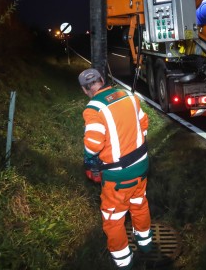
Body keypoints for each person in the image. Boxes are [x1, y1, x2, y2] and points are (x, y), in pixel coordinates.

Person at [78, 68, 153, 269]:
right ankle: (146, 243)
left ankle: (123, 261)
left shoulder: (93, 109)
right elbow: (144, 123)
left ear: (85, 90)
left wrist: (89, 160)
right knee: (139, 202)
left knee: (113, 217)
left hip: (118, 176)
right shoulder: (128, 95)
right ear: (103, 80)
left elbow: (93, 145)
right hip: (142, 165)